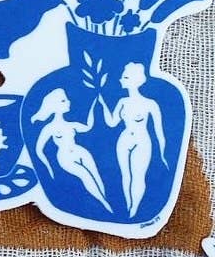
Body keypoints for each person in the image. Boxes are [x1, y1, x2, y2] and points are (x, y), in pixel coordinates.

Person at [99, 61, 165, 217]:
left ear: (136, 80)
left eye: (125, 77)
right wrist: (103, 105)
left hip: (142, 141)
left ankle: (135, 208)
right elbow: (112, 123)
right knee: (126, 175)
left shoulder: (150, 104)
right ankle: (128, 205)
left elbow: (159, 131)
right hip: (124, 139)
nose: (121, 79)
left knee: (138, 175)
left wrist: (163, 153)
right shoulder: (122, 102)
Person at [31, 87, 109, 209]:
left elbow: (88, 127)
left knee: (97, 176)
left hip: (80, 151)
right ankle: (104, 204)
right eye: (63, 100)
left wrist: (93, 107)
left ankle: (106, 204)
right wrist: (49, 167)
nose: (68, 102)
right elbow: (39, 149)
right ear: (54, 105)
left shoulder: (71, 124)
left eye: (66, 99)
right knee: (86, 176)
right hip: (65, 157)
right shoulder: (49, 128)